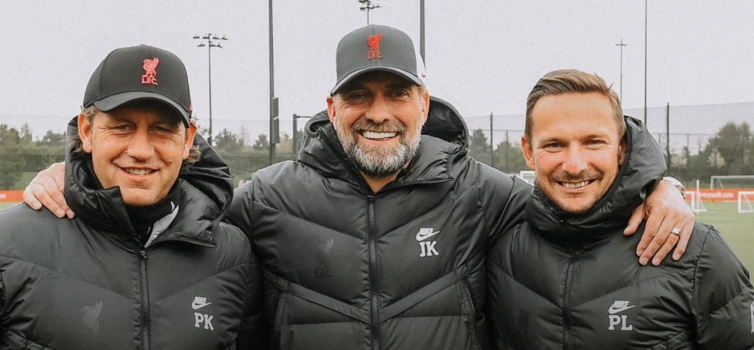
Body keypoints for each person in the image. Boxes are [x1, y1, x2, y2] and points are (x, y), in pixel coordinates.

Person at [23, 27, 691, 349]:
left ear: (423, 104)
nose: (379, 111)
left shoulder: (484, 192)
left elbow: (577, 194)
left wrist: (657, 183)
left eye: (396, 92)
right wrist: (75, 178)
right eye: (360, 95)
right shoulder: (270, 196)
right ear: (332, 105)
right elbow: (174, 197)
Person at [0, 45, 263, 349]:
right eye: (122, 127)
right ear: (87, 131)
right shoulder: (9, 245)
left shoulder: (233, 255)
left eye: (162, 129)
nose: (141, 151)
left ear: (188, 139)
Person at [486, 69, 754, 349]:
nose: (575, 165)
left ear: (622, 148)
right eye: (555, 145)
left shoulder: (696, 253)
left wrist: (664, 186)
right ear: (529, 152)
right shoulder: (498, 249)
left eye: (594, 142)